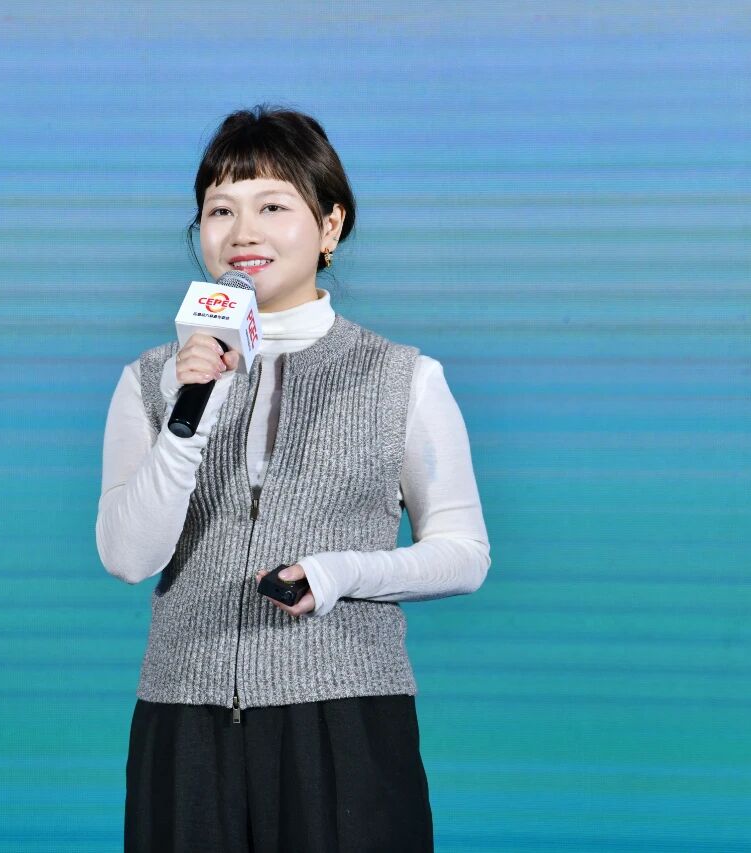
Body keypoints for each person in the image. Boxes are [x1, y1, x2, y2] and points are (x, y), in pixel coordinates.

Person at [96, 105, 491, 853]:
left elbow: (465, 554)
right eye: (221, 210)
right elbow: (127, 557)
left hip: (344, 723)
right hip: (183, 724)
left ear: (330, 225)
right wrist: (190, 412)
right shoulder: (150, 379)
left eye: (273, 206)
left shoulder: (403, 377)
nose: (243, 232)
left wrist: (338, 573)